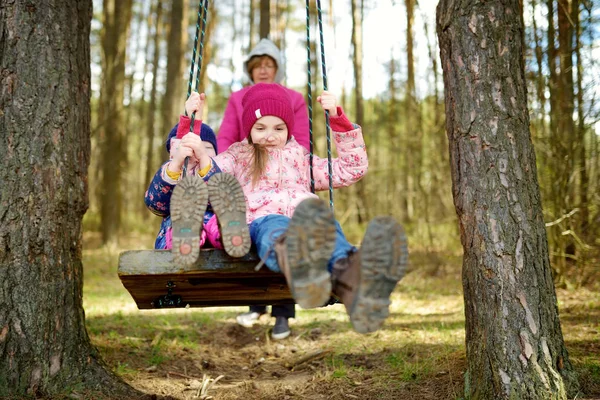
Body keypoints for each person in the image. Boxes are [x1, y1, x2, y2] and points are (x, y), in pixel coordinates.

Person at [169, 83, 408, 334]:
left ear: (288, 129)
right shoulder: (238, 156)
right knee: (275, 227)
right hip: (263, 220)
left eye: (278, 128)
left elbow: (351, 169)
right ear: (249, 128)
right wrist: (190, 125)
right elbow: (193, 172)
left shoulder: (300, 158)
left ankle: (348, 275)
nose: (269, 135)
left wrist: (338, 119)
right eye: (260, 128)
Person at [219, 38, 310, 339]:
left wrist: (297, 172)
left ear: (278, 69)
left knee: (286, 233)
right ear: (250, 70)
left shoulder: (293, 98)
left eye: (269, 65)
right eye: (257, 66)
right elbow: (227, 136)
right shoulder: (238, 97)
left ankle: (283, 313)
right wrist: (227, 175)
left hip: (287, 177)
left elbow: (301, 139)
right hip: (250, 173)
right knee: (256, 229)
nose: (263, 70)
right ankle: (256, 304)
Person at [144, 107, 250, 264]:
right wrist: (176, 165)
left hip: (212, 228)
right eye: (192, 148)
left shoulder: (218, 171)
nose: (197, 152)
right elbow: (156, 203)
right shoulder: (172, 172)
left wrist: (204, 161)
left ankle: (231, 238)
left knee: (218, 219)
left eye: (206, 148)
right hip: (177, 231)